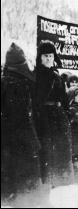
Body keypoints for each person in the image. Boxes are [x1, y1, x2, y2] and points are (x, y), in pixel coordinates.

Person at [1, 43, 43, 207]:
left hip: (7, 142)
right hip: (21, 142)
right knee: (24, 180)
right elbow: (21, 118)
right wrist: (32, 141)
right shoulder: (16, 85)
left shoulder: (6, 82)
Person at [34, 40, 74, 190]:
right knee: (45, 150)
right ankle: (46, 180)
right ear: (40, 57)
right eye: (45, 56)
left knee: (58, 149)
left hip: (58, 118)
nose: (48, 58)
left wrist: (67, 114)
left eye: (50, 55)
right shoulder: (35, 76)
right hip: (43, 118)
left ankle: (57, 179)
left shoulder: (58, 78)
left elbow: (64, 100)